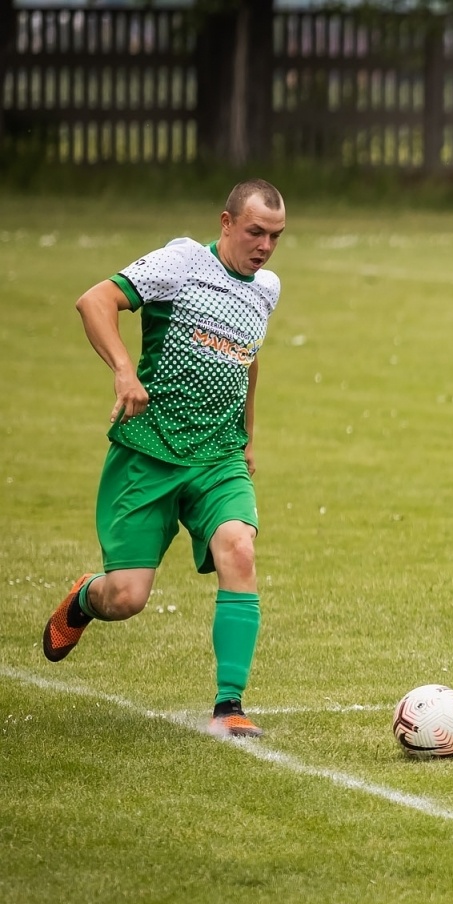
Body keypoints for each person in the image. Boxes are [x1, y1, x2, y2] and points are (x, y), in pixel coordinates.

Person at [41, 180, 286, 739]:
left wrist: (248, 433)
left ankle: (230, 707)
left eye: (275, 236)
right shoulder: (179, 264)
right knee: (125, 597)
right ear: (226, 224)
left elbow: (247, 357)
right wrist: (124, 371)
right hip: (150, 450)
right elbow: (95, 300)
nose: (265, 246)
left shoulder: (266, 288)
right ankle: (85, 597)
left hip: (218, 457)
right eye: (255, 232)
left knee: (239, 549)